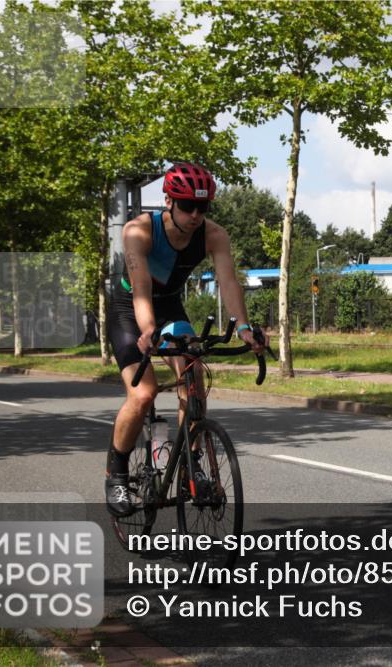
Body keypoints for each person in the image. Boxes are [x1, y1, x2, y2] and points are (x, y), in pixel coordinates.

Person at [105, 161, 264, 516]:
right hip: (130, 310)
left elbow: (228, 282)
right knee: (144, 392)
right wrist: (147, 330)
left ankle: (191, 464)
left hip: (171, 308)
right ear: (168, 201)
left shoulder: (213, 235)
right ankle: (115, 474)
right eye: (187, 205)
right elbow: (142, 289)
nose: (195, 215)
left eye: (202, 208)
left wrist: (243, 327)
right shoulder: (138, 231)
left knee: (192, 376)